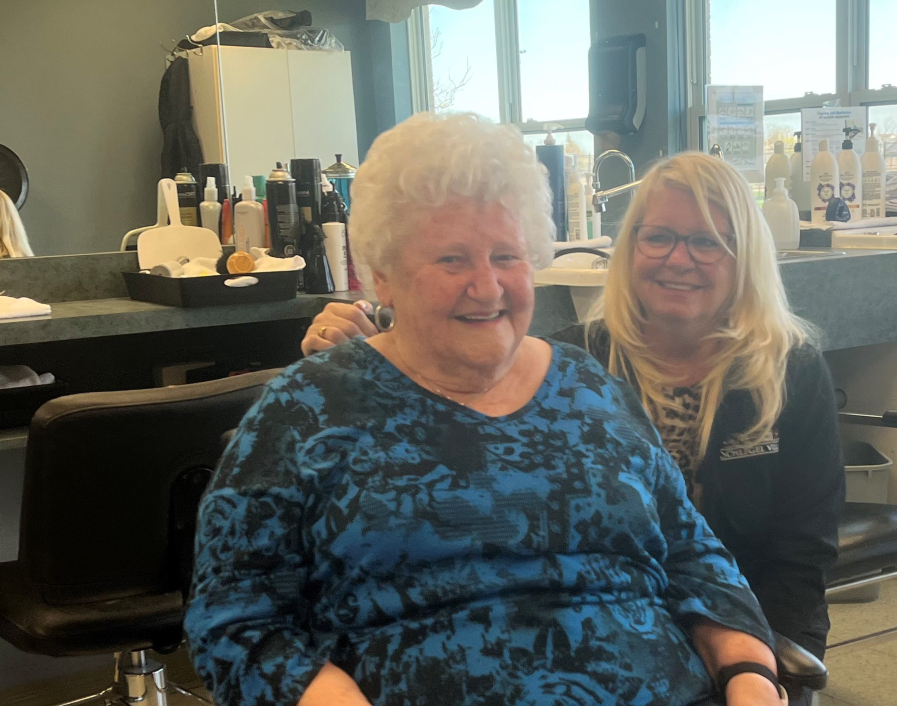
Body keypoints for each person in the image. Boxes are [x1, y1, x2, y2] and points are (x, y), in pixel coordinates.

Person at [186, 112, 787, 706]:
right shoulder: (305, 408)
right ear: (383, 276)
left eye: (507, 257)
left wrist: (750, 678)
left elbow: (694, 557)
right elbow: (235, 618)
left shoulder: (590, 386)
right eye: (453, 259)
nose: (488, 286)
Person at [301, 151, 846, 701]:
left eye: (707, 241)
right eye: (658, 237)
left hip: (742, 635)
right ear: (630, 247)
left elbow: (800, 557)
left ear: (744, 254)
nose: (680, 259)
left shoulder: (789, 373)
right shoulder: (571, 364)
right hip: (598, 637)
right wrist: (366, 341)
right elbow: (446, 383)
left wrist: (760, 667)